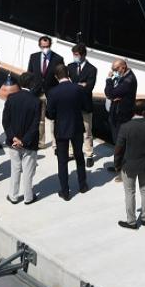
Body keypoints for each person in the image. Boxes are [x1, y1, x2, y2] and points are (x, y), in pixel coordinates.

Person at [114, 102, 145, 229]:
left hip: (128, 165)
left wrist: (117, 165)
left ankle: (131, 221)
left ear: (133, 112)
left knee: (130, 192)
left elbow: (119, 149)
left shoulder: (125, 127)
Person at [45, 64, 88, 200]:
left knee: (62, 161)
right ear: (68, 74)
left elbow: (50, 114)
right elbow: (86, 106)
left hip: (62, 129)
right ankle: (83, 185)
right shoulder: (78, 89)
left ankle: (65, 191)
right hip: (76, 127)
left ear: (56, 77)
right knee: (79, 156)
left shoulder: (52, 92)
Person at [2, 71, 42, 205]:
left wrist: (13, 138)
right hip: (29, 144)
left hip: (13, 142)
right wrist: (23, 141)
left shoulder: (11, 98)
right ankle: (28, 197)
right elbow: (35, 125)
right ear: (31, 84)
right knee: (28, 172)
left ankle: (13, 196)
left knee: (15, 169)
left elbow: (5, 121)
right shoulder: (36, 101)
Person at [27, 35, 64, 148]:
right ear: (39, 46)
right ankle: (40, 142)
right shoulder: (33, 57)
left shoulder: (58, 59)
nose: (45, 48)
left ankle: (55, 143)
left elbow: (61, 76)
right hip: (37, 92)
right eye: (43, 46)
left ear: (50, 45)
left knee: (53, 119)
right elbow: (30, 74)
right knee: (39, 119)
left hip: (52, 93)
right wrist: (32, 88)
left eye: (47, 46)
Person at [67, 44, 98, 168]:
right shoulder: (70, 66)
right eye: (73, 54)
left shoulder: (92, 69)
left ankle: (89, 154)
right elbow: (67, 83)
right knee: (71, 129)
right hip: (72, 104)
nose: (75, 57)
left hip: (85, 105)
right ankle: (71, 152)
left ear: (83, 55)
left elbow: (89, 87)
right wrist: (80, 84)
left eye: (77, 55)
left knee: (87, 131)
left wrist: (75, 85)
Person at [105, 59, 138, 150]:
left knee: (120, 142)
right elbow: (109, 93)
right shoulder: (121, 76)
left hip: (121, 116)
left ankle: (120, 163)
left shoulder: (128, 80)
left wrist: (108, 80)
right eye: (112, 69)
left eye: (115, 69)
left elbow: (109, 93)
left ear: (123, 68)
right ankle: (119, 163)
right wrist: (112, 95)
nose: (113, 72)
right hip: (116, 114)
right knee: (117, 142)